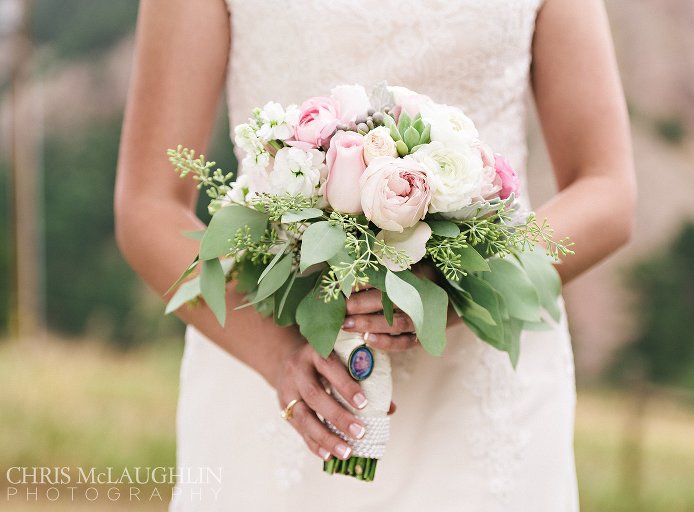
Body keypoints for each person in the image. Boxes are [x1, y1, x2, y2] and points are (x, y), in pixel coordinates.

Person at [115, 0, 635, 510]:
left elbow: (607, 188)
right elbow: (148, 207)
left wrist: (467, 289)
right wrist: (277, 357)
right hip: (269, 359)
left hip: (477, 385)